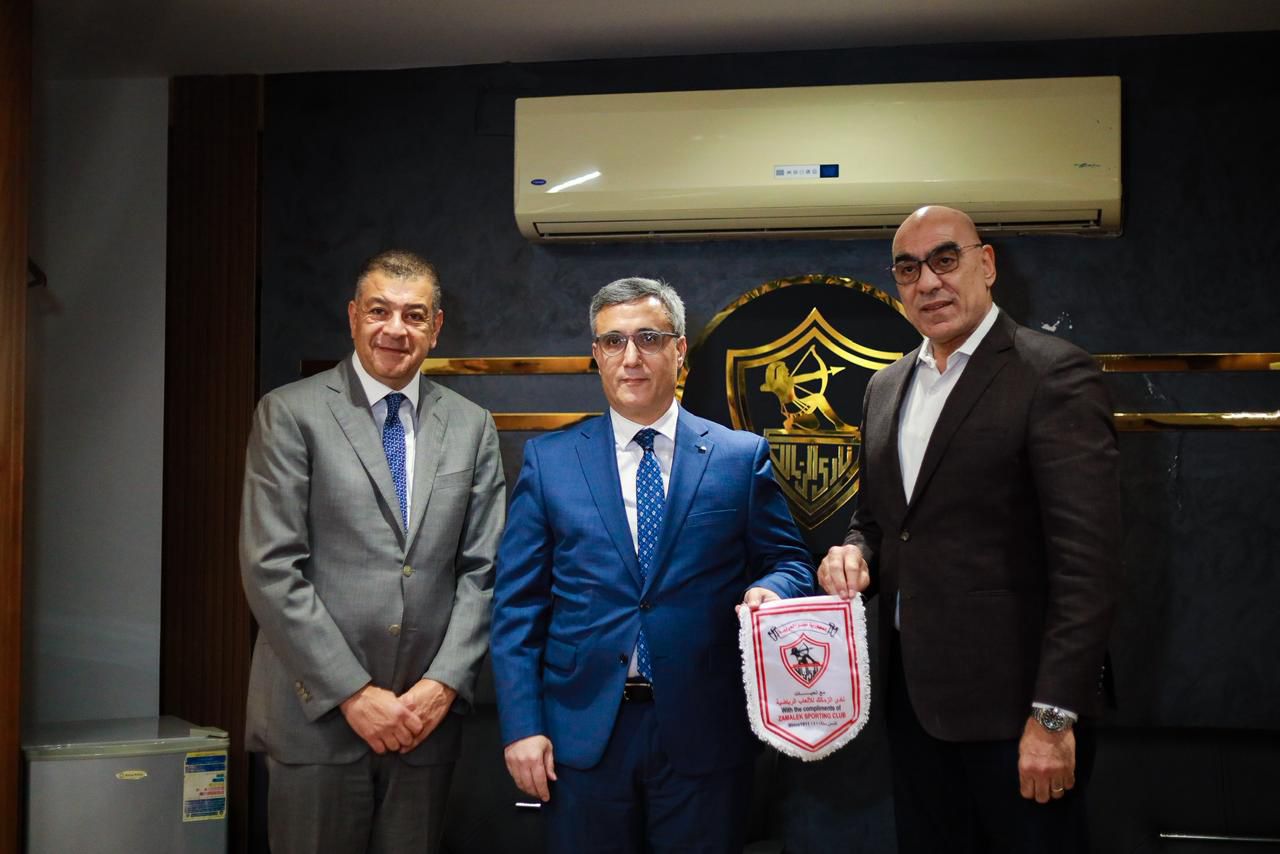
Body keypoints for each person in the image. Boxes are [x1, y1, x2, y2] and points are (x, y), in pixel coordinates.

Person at [817, 206, 1121, 853]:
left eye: (945, 260)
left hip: (1020, 718)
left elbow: (1087, 567)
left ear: (987, 265)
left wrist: (1053, 716)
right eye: (908, 269)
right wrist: (853, 553)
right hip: (911, 707)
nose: (928, 282)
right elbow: (877, 522)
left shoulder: (1053, 374)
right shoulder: (884, 387)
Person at [491, 277, 815, 853]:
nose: (631, 357)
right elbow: (517, 607)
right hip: (581, 734)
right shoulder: (550, 460)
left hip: (705, 731)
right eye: (613, 341)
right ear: (596, 354)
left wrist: (772, 589)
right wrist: (522, 726)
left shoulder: (739, 457)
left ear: (679, 349)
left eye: (648, 338)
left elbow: (789, 561)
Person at [240, 250, 505, 854]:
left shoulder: (471, 426)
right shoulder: (290, 413)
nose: (395, 329)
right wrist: (354, 694)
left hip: (422, 723)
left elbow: (484, 571)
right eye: (379, 311)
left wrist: (442, 685)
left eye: (415, 315)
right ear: (353, 316)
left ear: (436, 327)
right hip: (317, 719)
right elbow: (271, 567)